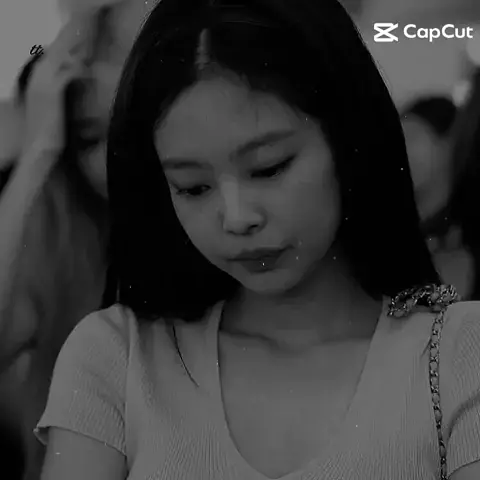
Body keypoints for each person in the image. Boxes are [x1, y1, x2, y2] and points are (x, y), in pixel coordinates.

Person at [35, 1, 480, 479]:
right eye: (193, 187)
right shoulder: (117, 357)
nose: (237, 218)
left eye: (268, 168)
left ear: (348, 138)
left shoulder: (458, 352)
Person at [0, 11, 115, 480]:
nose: (118, 158)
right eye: (89, 138)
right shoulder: (62, 225)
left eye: (135, 125)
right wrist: (38, 151)